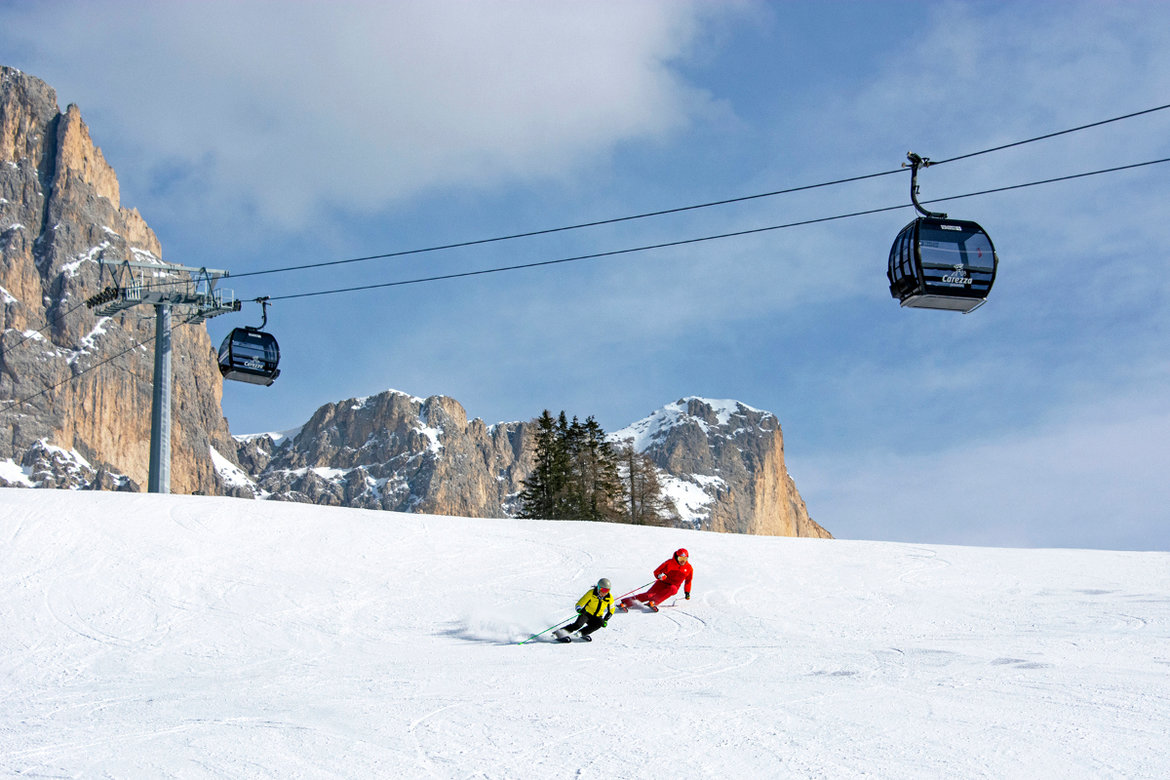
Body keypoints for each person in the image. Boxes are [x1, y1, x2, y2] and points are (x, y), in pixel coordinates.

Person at [619, 548, 693, 612]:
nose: (682, 561)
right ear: (676, 557)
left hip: (673, 586)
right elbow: (657, 572)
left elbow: (688, 581)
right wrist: (660, 576)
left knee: (673, 589)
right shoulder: (669, 563)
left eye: (684, 559)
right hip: (661, 583)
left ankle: (653, 602)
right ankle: (625, 602)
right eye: (680, 558)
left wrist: (687, 592)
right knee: (648, 595)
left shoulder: (689, 568)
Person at [554, 578, 615, 643]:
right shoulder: (591, 593)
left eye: (607, 590)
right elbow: (579, 604)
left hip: (597, 616)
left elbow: (611, 610)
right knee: (577, 625)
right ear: (598, 588)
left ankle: (582, 633)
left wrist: (605, 620)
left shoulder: (609, 598)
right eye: (603, 589)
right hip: (586, 613)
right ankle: (558, 633)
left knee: (600, 623)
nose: (604, 592)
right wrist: (579, 609)